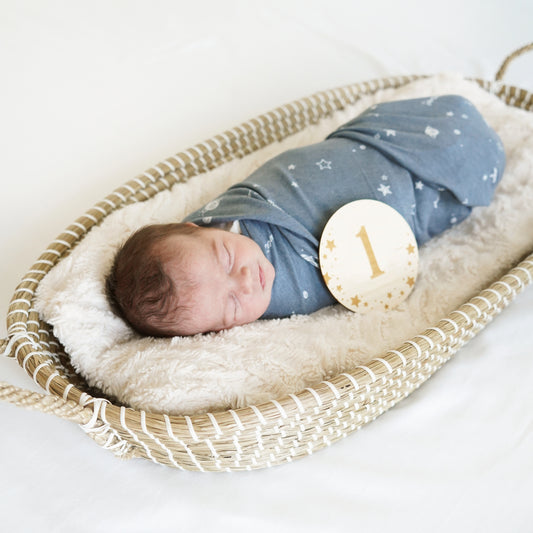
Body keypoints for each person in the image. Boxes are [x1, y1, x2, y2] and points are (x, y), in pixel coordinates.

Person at [106, 95, 505, 337]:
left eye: (226, 257)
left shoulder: (227, 214)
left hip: (368, 152)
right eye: (230, 306)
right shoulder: (260, 307)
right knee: (441, 184)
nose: (245, 282)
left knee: (434, 134)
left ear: (196, 225)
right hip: (395, 215)